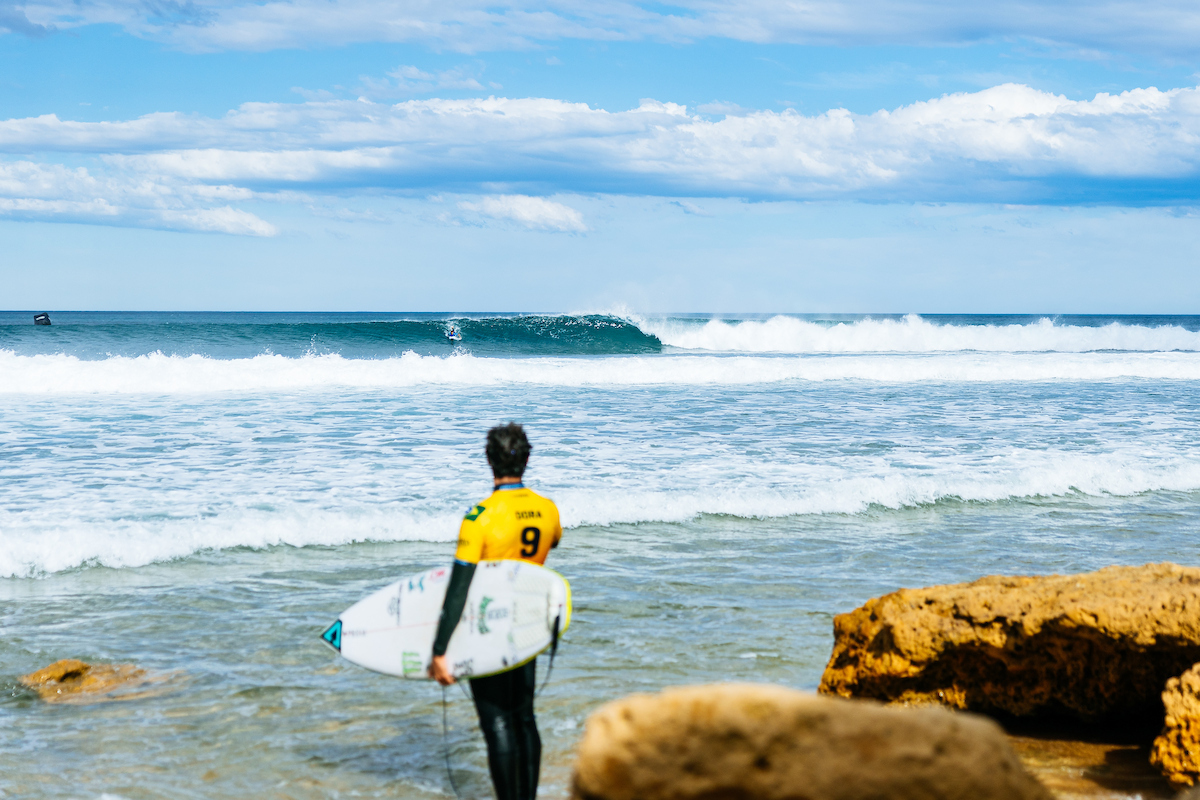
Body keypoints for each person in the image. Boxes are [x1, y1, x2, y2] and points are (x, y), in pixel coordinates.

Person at [428, 422, 562, 800]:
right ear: (526, 458)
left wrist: (440, 650)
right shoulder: (547, 509)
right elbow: (553, 539)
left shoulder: (480, 517)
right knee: (524, 715)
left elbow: (458, 590)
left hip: (485, 624)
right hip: (530, 621)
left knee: (496, 720)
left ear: (489, 460)